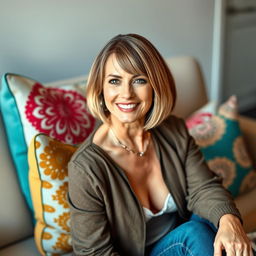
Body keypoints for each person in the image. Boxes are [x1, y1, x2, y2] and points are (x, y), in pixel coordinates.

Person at [68, 33, 253, 256]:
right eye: (114, 81)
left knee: (216, 220)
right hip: (161, 247)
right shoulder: (85, 168)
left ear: (155, 86)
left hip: (187, 238)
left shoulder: (172, 130)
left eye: (139, 80)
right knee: (195, 233)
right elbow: (92, 252)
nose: (126, 93)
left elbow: (204, 187)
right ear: (100, 88)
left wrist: (229, 222)